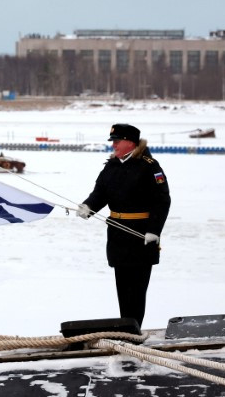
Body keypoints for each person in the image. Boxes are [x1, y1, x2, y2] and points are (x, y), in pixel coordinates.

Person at [76, 124, 171, 328]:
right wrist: (89, 206)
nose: (114, 145)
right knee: (123, 286)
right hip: (117, 234)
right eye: (113, 141)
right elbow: (100, 193)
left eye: (118, 141)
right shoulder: (111, 165)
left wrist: (154, 231)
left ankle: (133, 330)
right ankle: (126, 328)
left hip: (141, 236)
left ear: (131, 142)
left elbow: (162, 201)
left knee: (136, 289)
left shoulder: (149, 166)